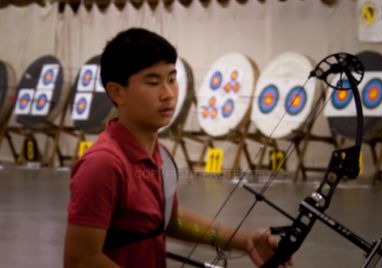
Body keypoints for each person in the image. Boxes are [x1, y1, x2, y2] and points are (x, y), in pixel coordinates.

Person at [64, 28, 291, 268]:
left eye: (172, 79)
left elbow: (168, 220)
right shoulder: (103, 164)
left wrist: (244, 240)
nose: (168, 94)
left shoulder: (160, 154)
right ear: (117, 92)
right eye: (152, 82)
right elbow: (81, 260)